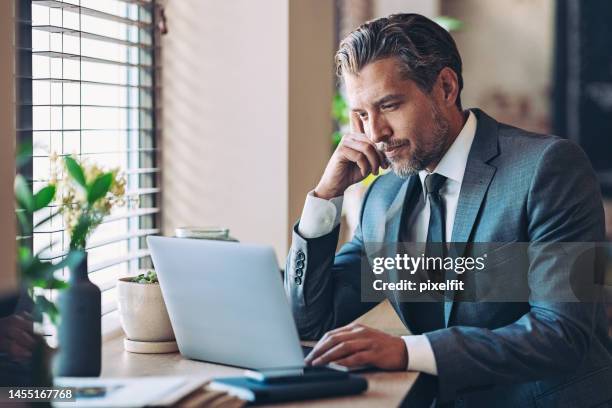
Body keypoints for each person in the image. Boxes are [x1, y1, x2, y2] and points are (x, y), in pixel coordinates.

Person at [284, 13, 612, 407]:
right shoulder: (382, 197)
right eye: (361, 115)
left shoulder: (549, 169)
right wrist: (324, 197)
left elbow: (562, 333)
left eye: (388, 105)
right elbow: (312, 319)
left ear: (445, 86)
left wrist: (409, 352)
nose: (375, 133)